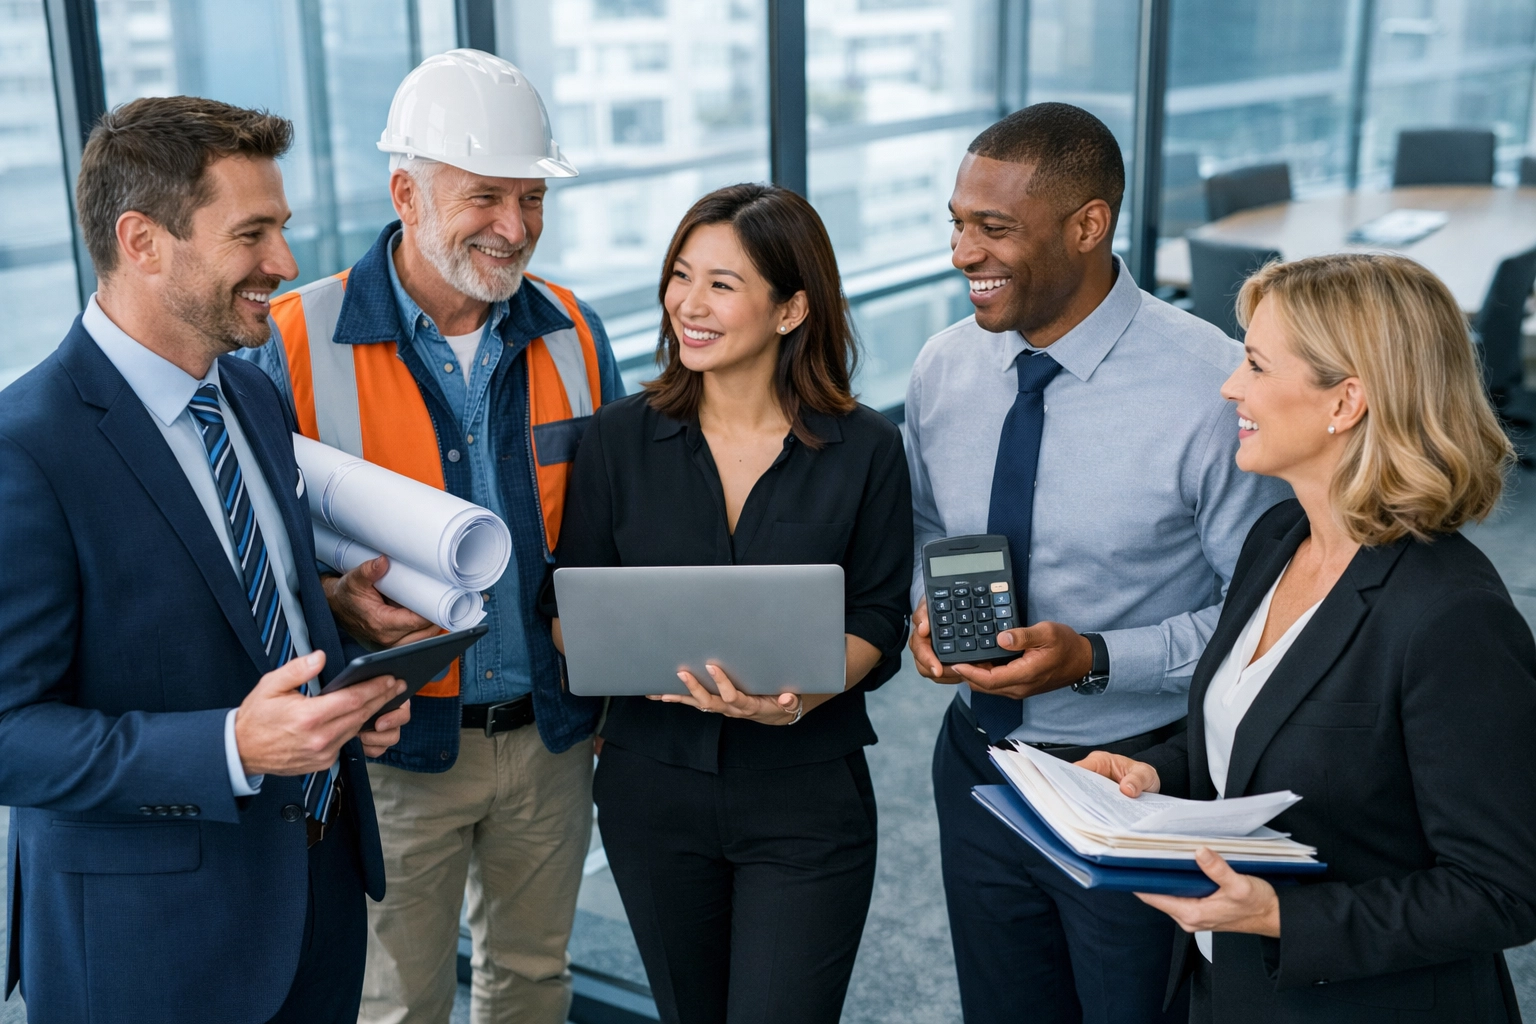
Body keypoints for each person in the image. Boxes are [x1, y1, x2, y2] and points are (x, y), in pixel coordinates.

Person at [0, 97, 411, 1024]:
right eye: (252, 234)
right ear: (142, 241)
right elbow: (7, 731)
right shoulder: (25, 448)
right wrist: (231, 746)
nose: (287, 263)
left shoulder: (250, 397)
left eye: (284, 228)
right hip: (149, 945)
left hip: (318, 895)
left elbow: (240, 603)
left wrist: (342, 683)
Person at [240, 49, 624, 1024]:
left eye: (532, 198)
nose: (515, 226)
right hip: (393, 749)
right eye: (486, 196)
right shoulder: (288, 340)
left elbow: (609, 529)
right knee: (397, 1004)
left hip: (549, 741)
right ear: (406, 192)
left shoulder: (575, 331)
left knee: (533, 982)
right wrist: (330, 601)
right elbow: (240, 559)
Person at [905, 101, 1290, 1023]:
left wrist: (1097, 657)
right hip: (981, 764)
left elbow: (1269, 623)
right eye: (958, 224)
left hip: (1137, 783)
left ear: (1088, 225)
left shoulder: (1215, 386)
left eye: (993, 230)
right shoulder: (942, 368)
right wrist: (926, 613)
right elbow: (928, 532)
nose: (963, 254)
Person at [1080, 253, 1536, 1023]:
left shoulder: (1452, 617)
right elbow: (1258, 732)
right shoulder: (1279, 536)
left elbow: (1504, 889)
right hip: (1232, 989)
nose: (1231, 387)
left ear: (1347, 400)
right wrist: (1153, 774)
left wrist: (1281, 919)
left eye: (1255, 365)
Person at [546, 182, 912, 1024]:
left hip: (805, 795)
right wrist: (613, 647)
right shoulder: (617, 438)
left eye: (723, 283)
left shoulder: (866, 449)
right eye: (682, 275)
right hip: (651, 789)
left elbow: (880, 617)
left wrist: (797, 701)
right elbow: (568, 607)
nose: (689, 304)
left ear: (791, 310)